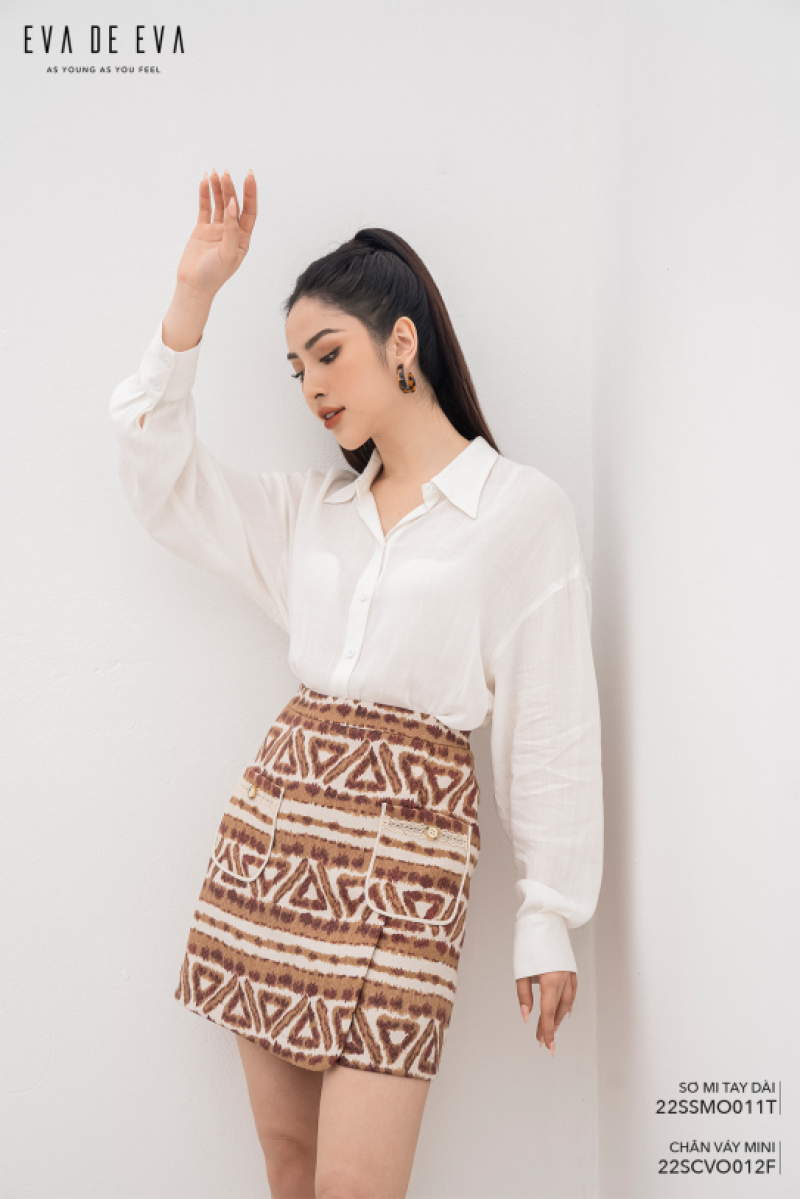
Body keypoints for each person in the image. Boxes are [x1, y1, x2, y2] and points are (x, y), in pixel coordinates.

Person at [109, 167, 603, 1199]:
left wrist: (546, 910)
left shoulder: (521, 511)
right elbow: (162, 483)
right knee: (291, 1170)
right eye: (296, 368)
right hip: (275, 849)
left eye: (327, 353)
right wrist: (192, 295)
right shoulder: (311, 515)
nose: (312, 386)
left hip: (413, 861)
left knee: (355, 1185)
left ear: (402, 342)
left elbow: (551, 719)